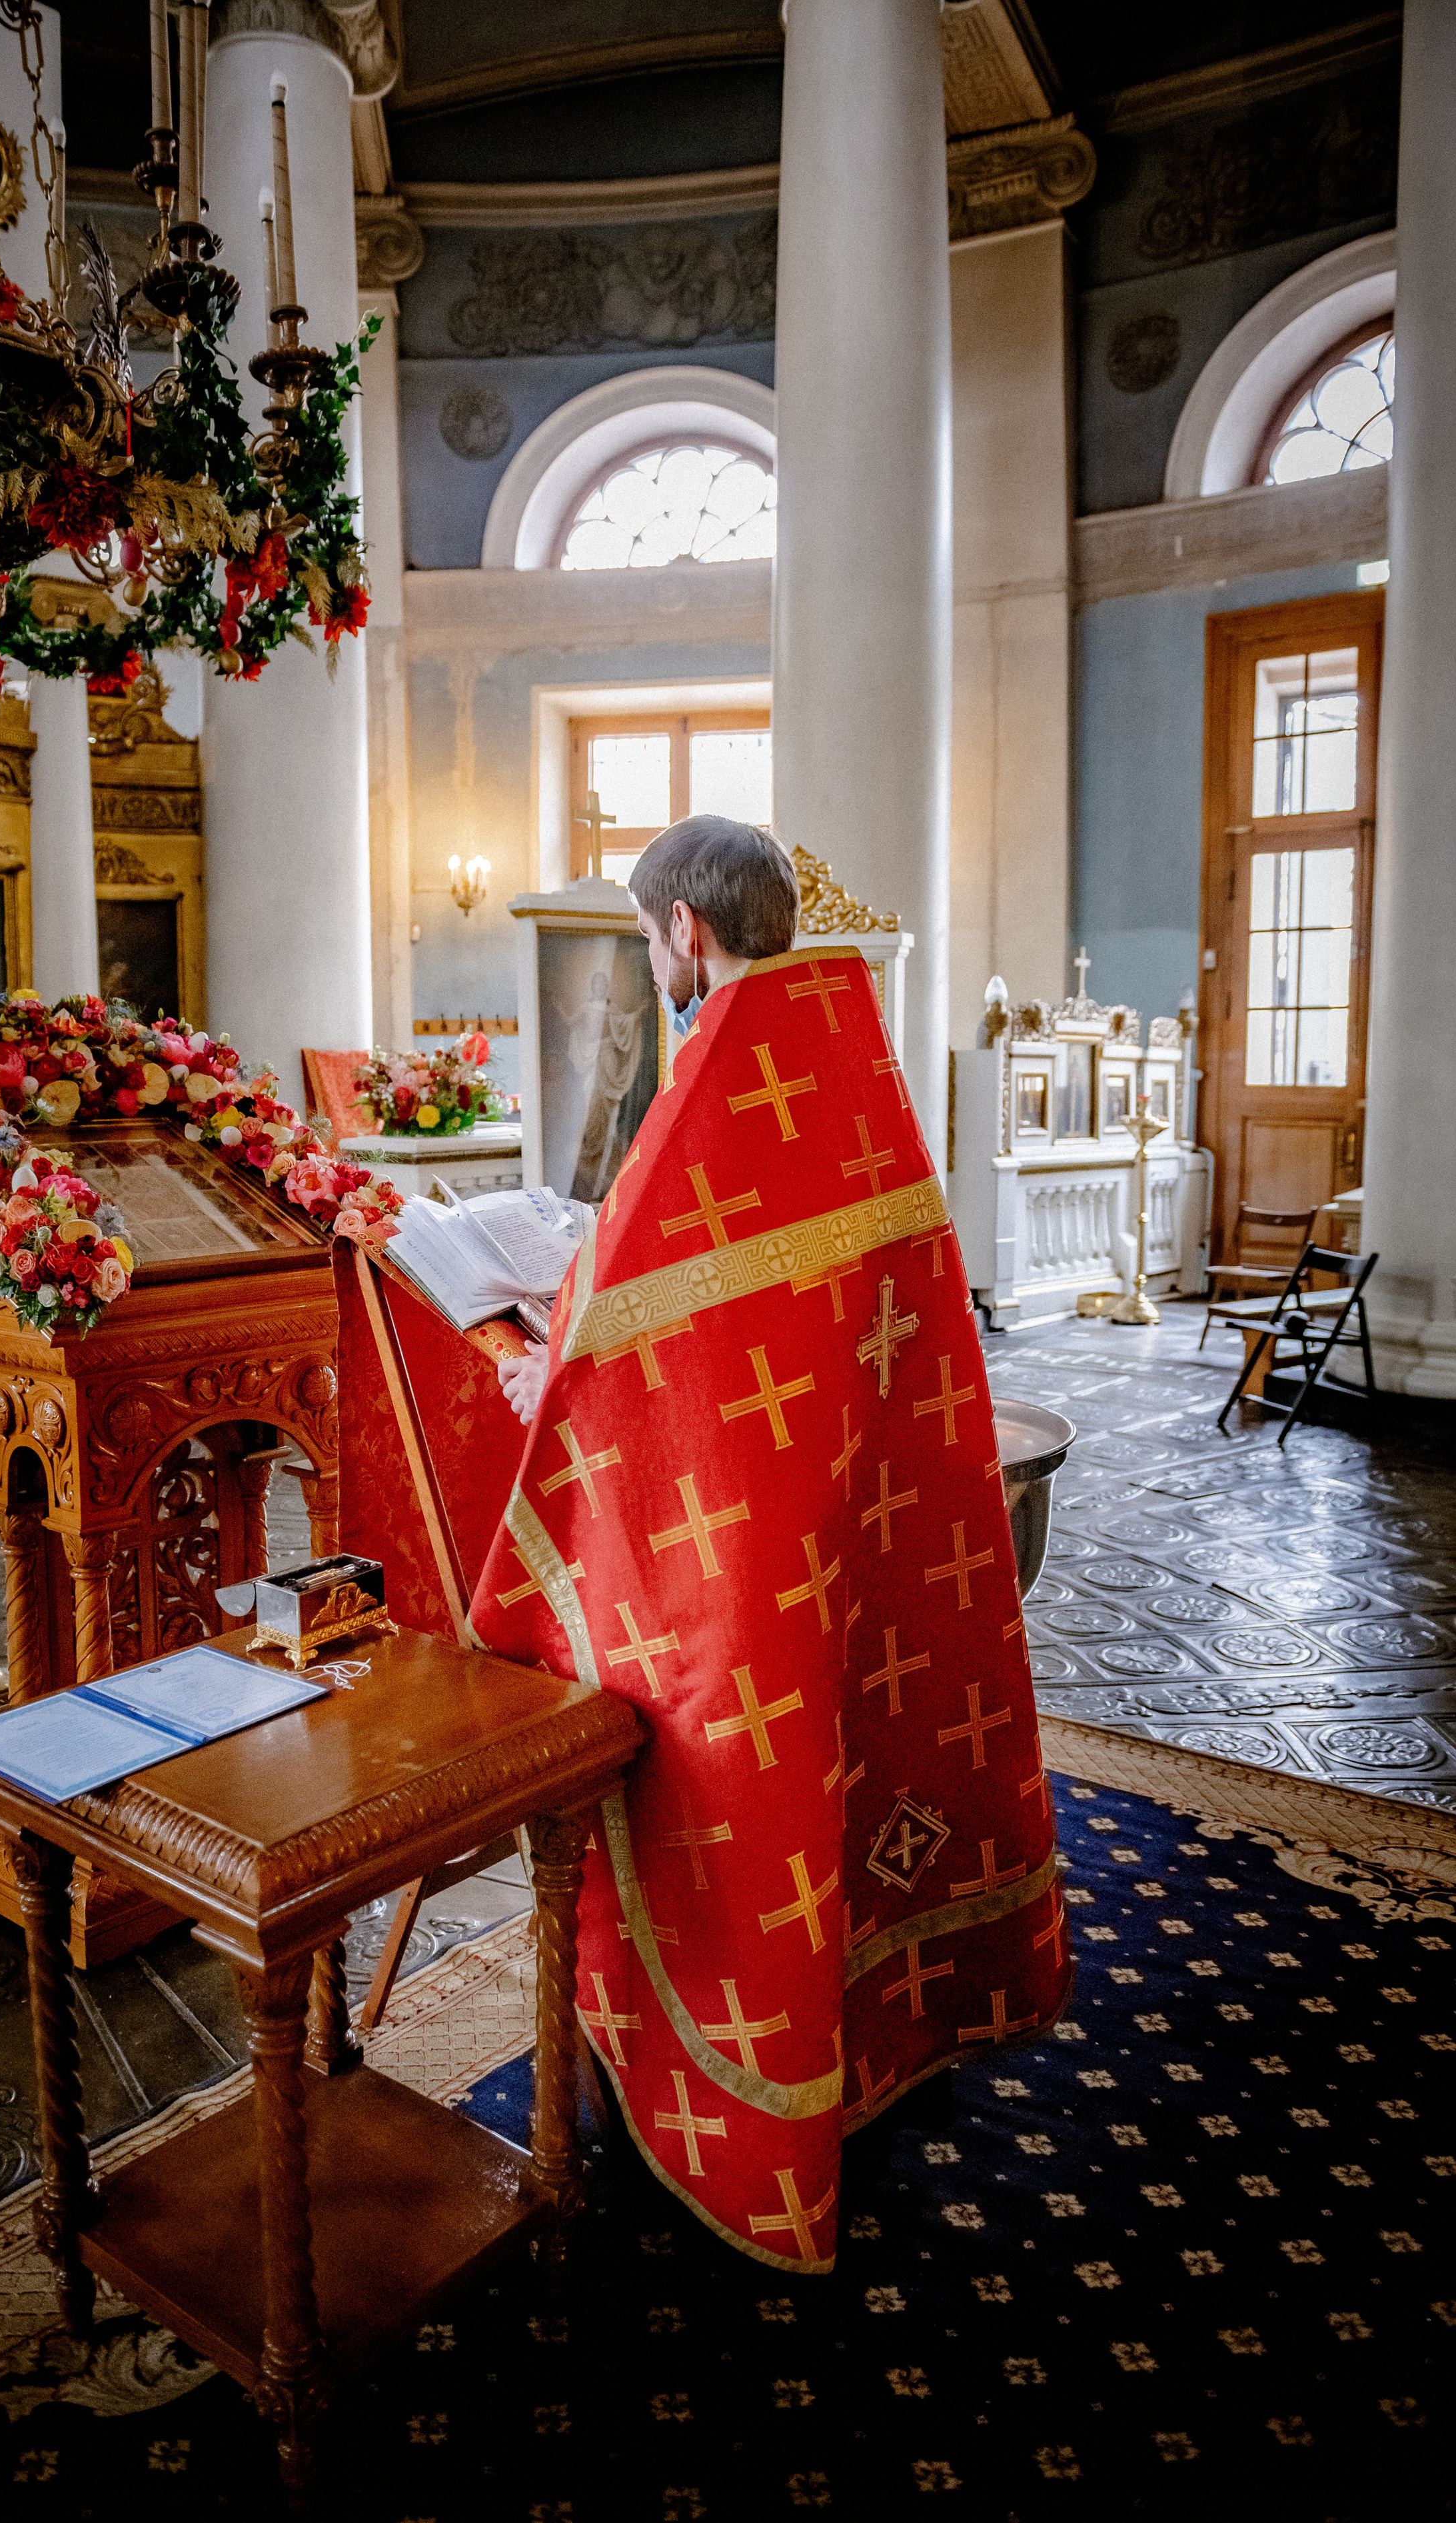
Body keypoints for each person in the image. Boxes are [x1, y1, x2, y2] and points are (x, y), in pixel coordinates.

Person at [477, 815, 1069, 2271]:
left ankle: (760, 2101)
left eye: (648, 940)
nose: (653, 964)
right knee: (866, 1745)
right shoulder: (852, 1056)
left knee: (742, 1789)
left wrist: (540, 1360)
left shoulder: (717, 1080)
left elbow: (626, 1334)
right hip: (855, 1513)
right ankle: (893, 2023)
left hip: (741, 1557)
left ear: (684, 932)